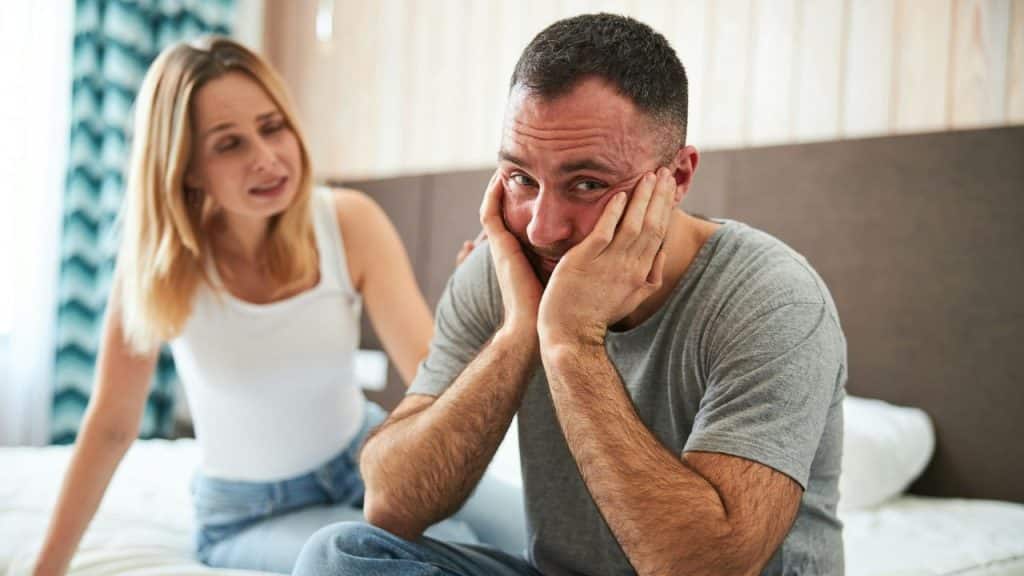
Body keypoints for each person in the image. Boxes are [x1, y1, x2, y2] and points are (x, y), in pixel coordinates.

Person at [293, 13, 847, 576]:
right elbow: (389, 504)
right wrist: (519, 332)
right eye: (521, 178)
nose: (541, 228)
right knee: (340, 557)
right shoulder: (506, 270)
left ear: (677, 178)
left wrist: (570, 343)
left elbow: (707, 567)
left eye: (587, 184)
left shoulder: (771, 298)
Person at [32, 37, 472, 576]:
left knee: (528, 536)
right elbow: (111, 428)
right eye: (229, 144)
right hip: (250, 515)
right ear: (187, 168)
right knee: (372, 560)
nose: (266, 159)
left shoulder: (347, 222)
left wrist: (474, 316)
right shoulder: (158, 269)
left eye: (272, 127)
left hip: (368, 458)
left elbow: (433, 380)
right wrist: (44, 570)